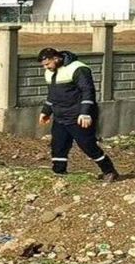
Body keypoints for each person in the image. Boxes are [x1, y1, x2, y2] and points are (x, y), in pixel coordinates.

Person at [37, 47, 119, 182]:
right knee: (58, 146)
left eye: (47, 64)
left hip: (78, 116)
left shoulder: (78, 69)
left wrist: (85, 113)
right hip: (60, 117)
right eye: (44, 65)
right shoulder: (49, 72)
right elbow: (52, 95)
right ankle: (59, 173)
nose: (46, 67)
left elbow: (88, 91)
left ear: (56, 58)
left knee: (88, 145)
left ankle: (109, 171)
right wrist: (46, 111)